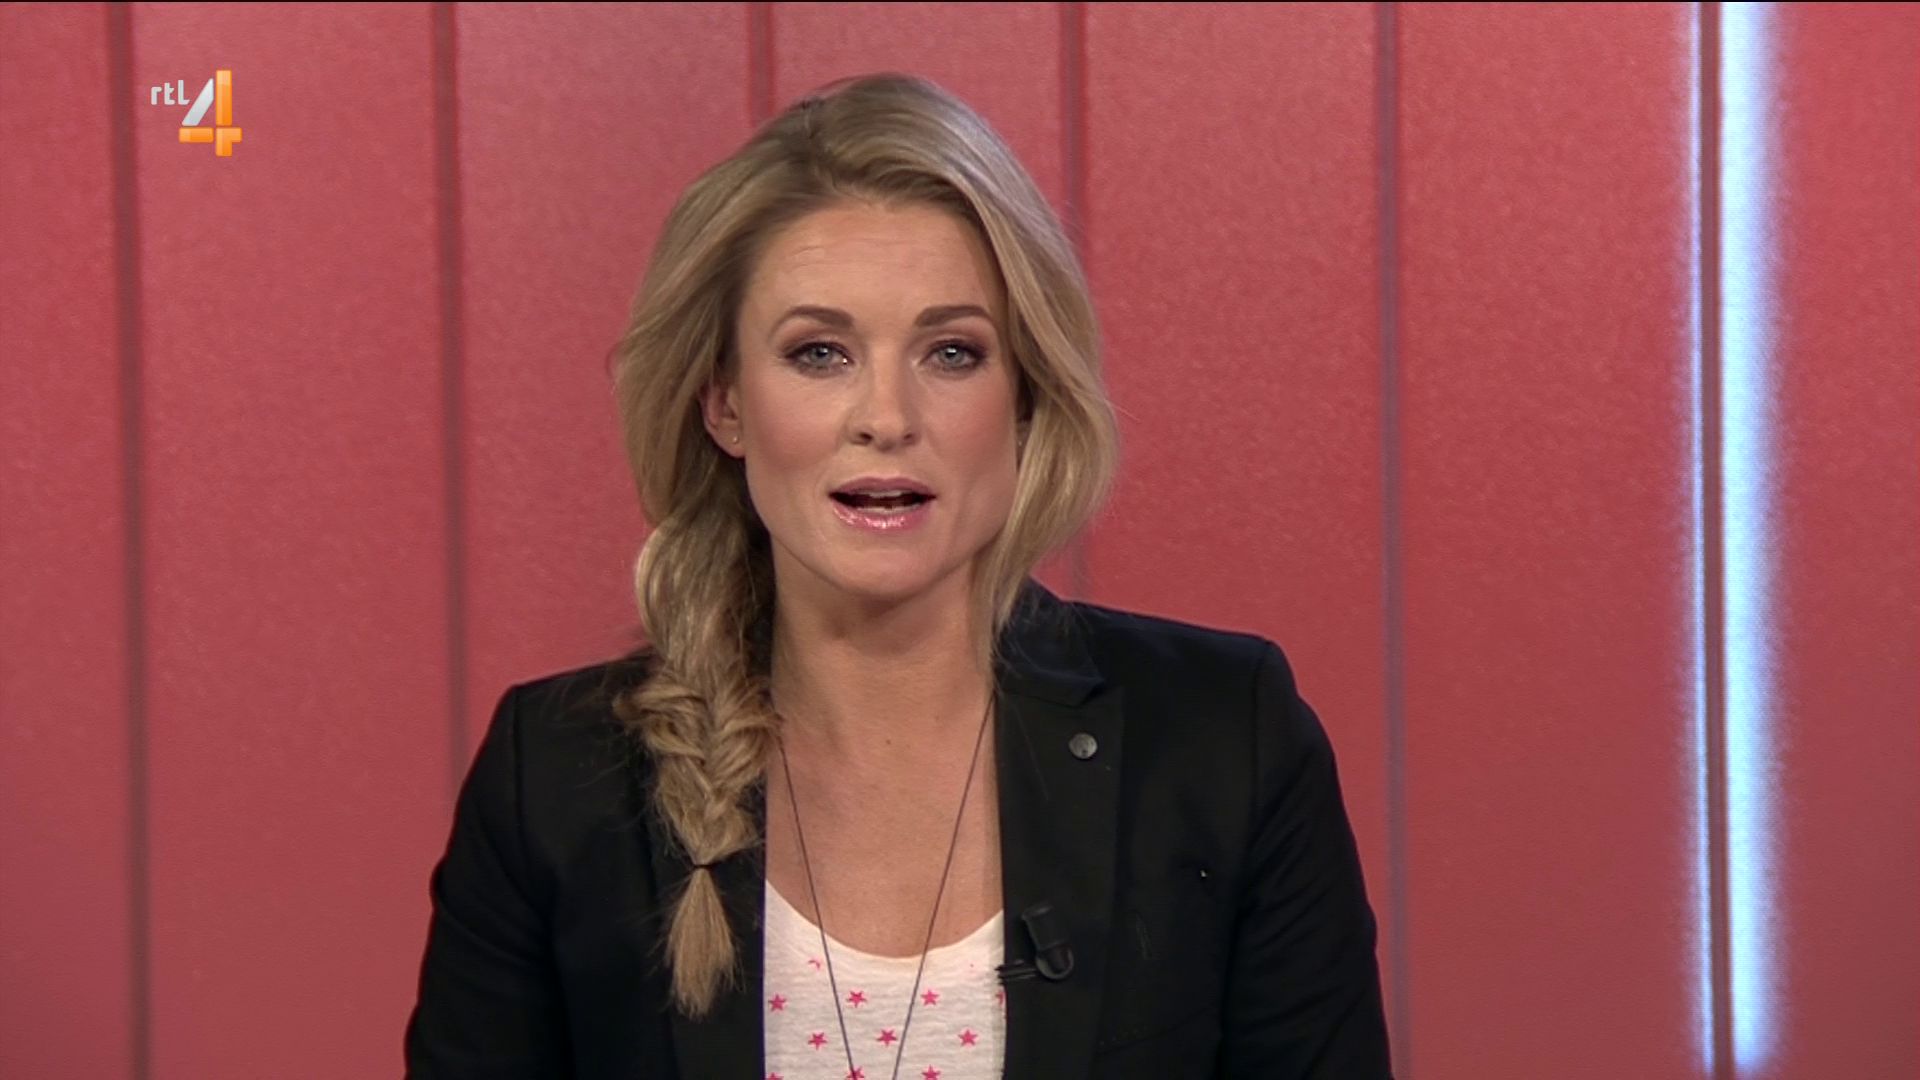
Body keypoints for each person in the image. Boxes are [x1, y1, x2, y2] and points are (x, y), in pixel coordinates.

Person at [404, 72, 1391, 1079]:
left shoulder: (1224, 742)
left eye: (952, 353)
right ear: (725, 405)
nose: (887, 417)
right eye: (819, 353)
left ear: (1025, 398)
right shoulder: (557, 779)